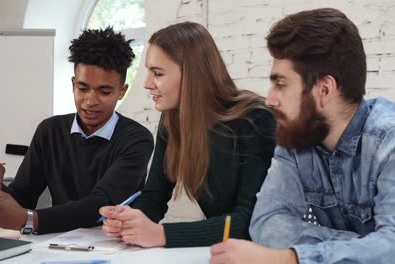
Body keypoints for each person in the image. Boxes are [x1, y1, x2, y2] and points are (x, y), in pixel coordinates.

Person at [210, 8, 395, 264]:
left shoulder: (389, 140)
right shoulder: (297, 139)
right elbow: (266, 223)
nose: (270, 99)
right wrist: (364, 248)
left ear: (324, 89)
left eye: (281, 84)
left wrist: (290, 258)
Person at [99, 21, 276, 248]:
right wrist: (127, 219)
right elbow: (154, 197)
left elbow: (247, 222)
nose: (146, 83)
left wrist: (162, 234)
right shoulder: (172, 118)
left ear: (192, 74)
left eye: (158, 73)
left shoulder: (256, 120)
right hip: (222, 253)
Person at [0, 27, 154, 235]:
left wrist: (31, 220)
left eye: (104, 91)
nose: (90, 101)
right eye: (83, 88)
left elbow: (101, 204)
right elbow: (23, 197)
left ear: (121, 91)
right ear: (73, 84)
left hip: (113, 244)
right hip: (57, 241)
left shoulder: (136, 139)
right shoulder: (49, 131)